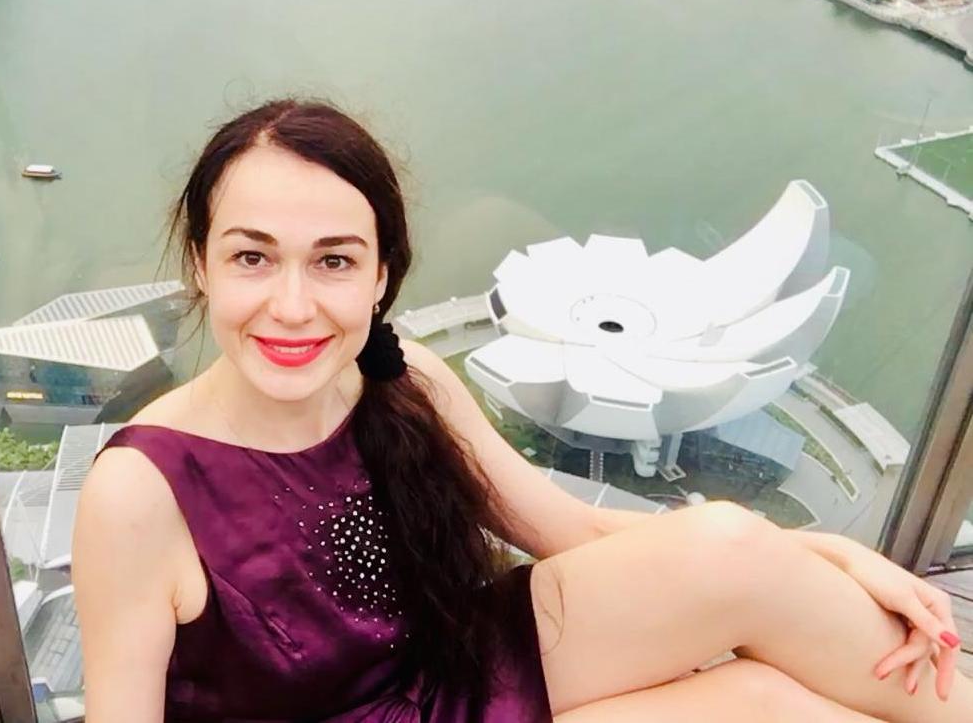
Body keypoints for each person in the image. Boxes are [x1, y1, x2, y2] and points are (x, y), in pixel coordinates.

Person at [72, 98, 971, 723]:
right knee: (757, 706)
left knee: (736, 560)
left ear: (382, 276)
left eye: (334, 261)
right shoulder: (142, 490)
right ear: (200, 264)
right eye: (253, 257)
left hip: (449, 670)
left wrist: (827, 555)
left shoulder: (401, 380)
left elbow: (577, 533)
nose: (294, 305)